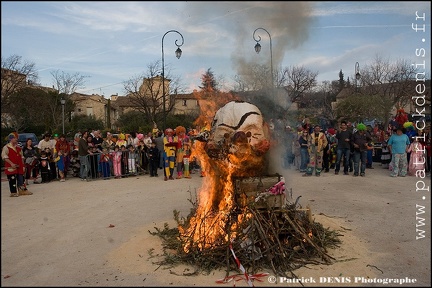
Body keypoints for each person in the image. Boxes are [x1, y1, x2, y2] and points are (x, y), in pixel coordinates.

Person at [2, 132, 33, 197]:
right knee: (12, 179)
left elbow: (22, 157)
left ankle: (22, 190)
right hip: (11, 166)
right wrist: (11, 163)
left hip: (19, 166)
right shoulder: (6, 147)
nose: (16, 139)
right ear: (11, 139)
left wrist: (23, 165)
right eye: (15, 138)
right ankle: (13, 192)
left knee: (21, 178)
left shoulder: (19, 148)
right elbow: (4, 157)